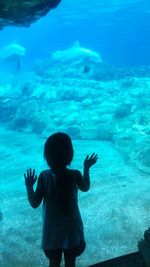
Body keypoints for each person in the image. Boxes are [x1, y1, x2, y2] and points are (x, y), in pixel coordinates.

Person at [24, 132, 98, 267]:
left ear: (47, 156)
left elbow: (34, 203)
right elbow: (85, 187)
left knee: (53, 263)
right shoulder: (74, 174)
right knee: (70, 262)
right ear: (70, 154)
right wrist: (86, 168)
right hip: (71, 229)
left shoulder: (44, 176)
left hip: (51, 231)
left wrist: (29, 186)